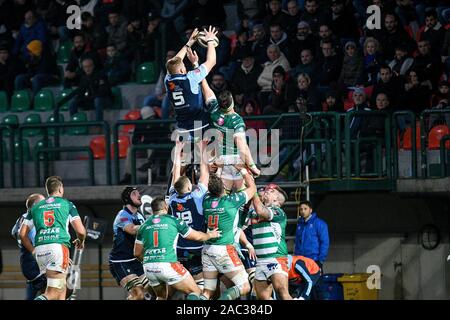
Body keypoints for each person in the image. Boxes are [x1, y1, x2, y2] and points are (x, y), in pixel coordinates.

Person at [196, 50, 260, 192]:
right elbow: (242, 146)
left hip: (218, 160)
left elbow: (206, 89)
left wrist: (197, 66)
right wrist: (253, 166)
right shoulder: (236, 119)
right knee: (242, 197)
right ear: (232, 103)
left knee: (222, 197)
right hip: (235, 161)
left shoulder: (214, 110)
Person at [134, 197, 221, 300]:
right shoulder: (173, 220)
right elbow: (197, 236)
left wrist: (152, 260)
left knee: (161, 297)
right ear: (166, 207)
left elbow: (137, 253)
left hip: (148, 267)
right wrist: (210, 235)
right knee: (196, 292)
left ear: (152, 210)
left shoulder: (143, 226)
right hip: (168, 264)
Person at [19, 176, 87, 300]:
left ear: (48, 191)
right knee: (53, 293)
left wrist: (33, 250)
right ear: (60, 189)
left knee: (61, 293)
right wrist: (80, 241)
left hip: (40, 250)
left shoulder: (36, 207)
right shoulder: (67, 204)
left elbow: (22, 234)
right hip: (58, 248)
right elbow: (81, 231)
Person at [200, 169, 256, 300]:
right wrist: (243, 170)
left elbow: (212, 186)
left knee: (207, 292)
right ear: (223, 187)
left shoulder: (206, 200)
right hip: (224, 249)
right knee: (245, 286)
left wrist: (217, 171)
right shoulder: (231, 201)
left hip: (207, 249)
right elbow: (252, 188)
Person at [167, 140, 209, 293]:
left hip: (178, 249)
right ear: (190, 187)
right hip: (196, 248)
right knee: (201, 290)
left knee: (171, 291)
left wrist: (178, 150)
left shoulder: (172, 197)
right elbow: (205, 173)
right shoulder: (196, 197)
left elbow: (176, 174)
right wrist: (203, 148)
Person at [164, 26, 217, 142]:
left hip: (183, 126)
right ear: (182, 70)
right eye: (184, 66)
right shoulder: (190, 77)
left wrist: (190, 43)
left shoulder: (167, 80)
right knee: (205, 157)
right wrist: (210, 41)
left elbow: (172, 63)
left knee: (181, 158)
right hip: (199, 125)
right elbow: (212, 61)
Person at [249, 183, 292, 300]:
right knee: (263, 298)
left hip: (276, 258)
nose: (267, 190)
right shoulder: (254, 212)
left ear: (276, 199)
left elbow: (260, 211)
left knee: (282, 292)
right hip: (261, 261)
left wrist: (251, 188)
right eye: (267, 189)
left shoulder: (278, 211)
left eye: (271, 191)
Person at [109, 186, 147, 300]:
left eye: (138, 193)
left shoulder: (140, 216)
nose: (139, 195)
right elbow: (131, 229)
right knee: (138, 294)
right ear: (127, 199)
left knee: (156, 289)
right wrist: (151, 226)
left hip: (137, 261)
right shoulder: (122, 215)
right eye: (134, 194)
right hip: (121, 262)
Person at [11, 193, 46, 300]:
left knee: (34, 291)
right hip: (34, 261)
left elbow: (13, 232)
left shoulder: (21, 217)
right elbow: (37, 242)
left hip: (26, 260)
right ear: (36, 205)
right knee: (52, 290)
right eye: (43, 202)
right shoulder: (33, 218)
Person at [294, 200, 329, 280]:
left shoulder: (319, 224)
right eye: (301, 209)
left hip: (314, 260)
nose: (303, 211)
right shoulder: (300, 225)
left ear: (311, 210)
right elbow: (297, 243)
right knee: (305, 286)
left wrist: (320, 260)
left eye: (305, 209)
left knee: (317, 287)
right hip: (302, 261)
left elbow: (324, 243)